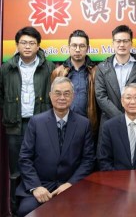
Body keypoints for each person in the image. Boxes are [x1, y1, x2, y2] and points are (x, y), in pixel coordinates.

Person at [0, 26, 55, 214]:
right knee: (16, 171)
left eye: (32, 43)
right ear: (17, 45)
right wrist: (10, 110)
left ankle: (43, 209)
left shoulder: (49, 67)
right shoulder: (6, 68)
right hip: (15, 127)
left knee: (41, 165)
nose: (27, 46)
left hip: (41, 125)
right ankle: (16, 209)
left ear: (38, 46)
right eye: (23, 43)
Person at [16, 77, 95, 217]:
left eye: (66, 93)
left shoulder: (84, 124)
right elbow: (25, 158)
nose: (62, 97)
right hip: (41, 184)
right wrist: (36, 187)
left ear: (73, 96)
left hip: (71, 186)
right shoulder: (36, 122)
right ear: (50, 95)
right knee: (26, 211)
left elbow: (88, 161)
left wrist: (71, 184)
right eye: (57, 93)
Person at [95, 25, 136, 128]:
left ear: (131, 43)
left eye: (125, 41)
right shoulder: (102, 67)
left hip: (135, 121)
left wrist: (130, 116)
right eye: (118, 41)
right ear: (113, 43)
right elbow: (101, 97)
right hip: (109, 122)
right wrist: (121, 118)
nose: (122, 44)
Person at [51, 30, 99, 136]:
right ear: (68, 47)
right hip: (64, 126)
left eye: (82, 46)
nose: (77, 50)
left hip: (89, 126)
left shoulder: (96, 71)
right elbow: (52, 100)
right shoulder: (58, 72)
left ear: (88, 48)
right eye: (74, 46)